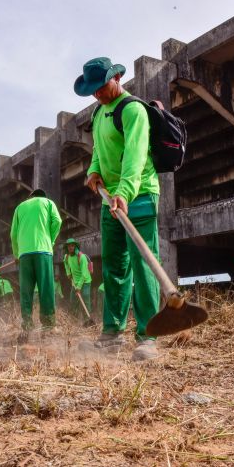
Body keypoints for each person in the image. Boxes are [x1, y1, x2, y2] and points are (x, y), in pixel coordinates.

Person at [76, 57, 161, 361]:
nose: (97, 94)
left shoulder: (133, 109)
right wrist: (94, 171)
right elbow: (99, 150)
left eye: (101, 88)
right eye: (92, 91)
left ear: (117, 78)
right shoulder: (99, 113)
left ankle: (148, 336)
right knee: (114, 266)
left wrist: (124, 192)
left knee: (143, 263)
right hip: (108, 198)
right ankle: (112, 333)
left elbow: (135, 156)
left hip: (138, 195)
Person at [10, 188, 62, 340]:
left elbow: (13, 234)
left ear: (30, 197)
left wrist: (16, 253)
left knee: (26, 290)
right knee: (45, 287)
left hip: (24, 254)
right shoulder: (48, 202)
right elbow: (57, 221)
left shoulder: (20, 207)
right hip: (43, 251)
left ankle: (27, 326)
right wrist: (50, 240)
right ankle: (48, 326)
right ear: (42, 196)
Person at [63, 238, 92, 318]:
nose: (70, 247)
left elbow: (84, 274)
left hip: (85, 281)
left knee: (85, 299)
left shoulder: (81, 257)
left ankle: (87, 319)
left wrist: (79, 287)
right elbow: (65, 264)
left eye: (72, 246)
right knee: (73, 301)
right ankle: (73, 320)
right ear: (66, 248)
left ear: (75, 246)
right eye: (68, 246)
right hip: (74, 282)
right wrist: (68, 273)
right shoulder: (66, 257)